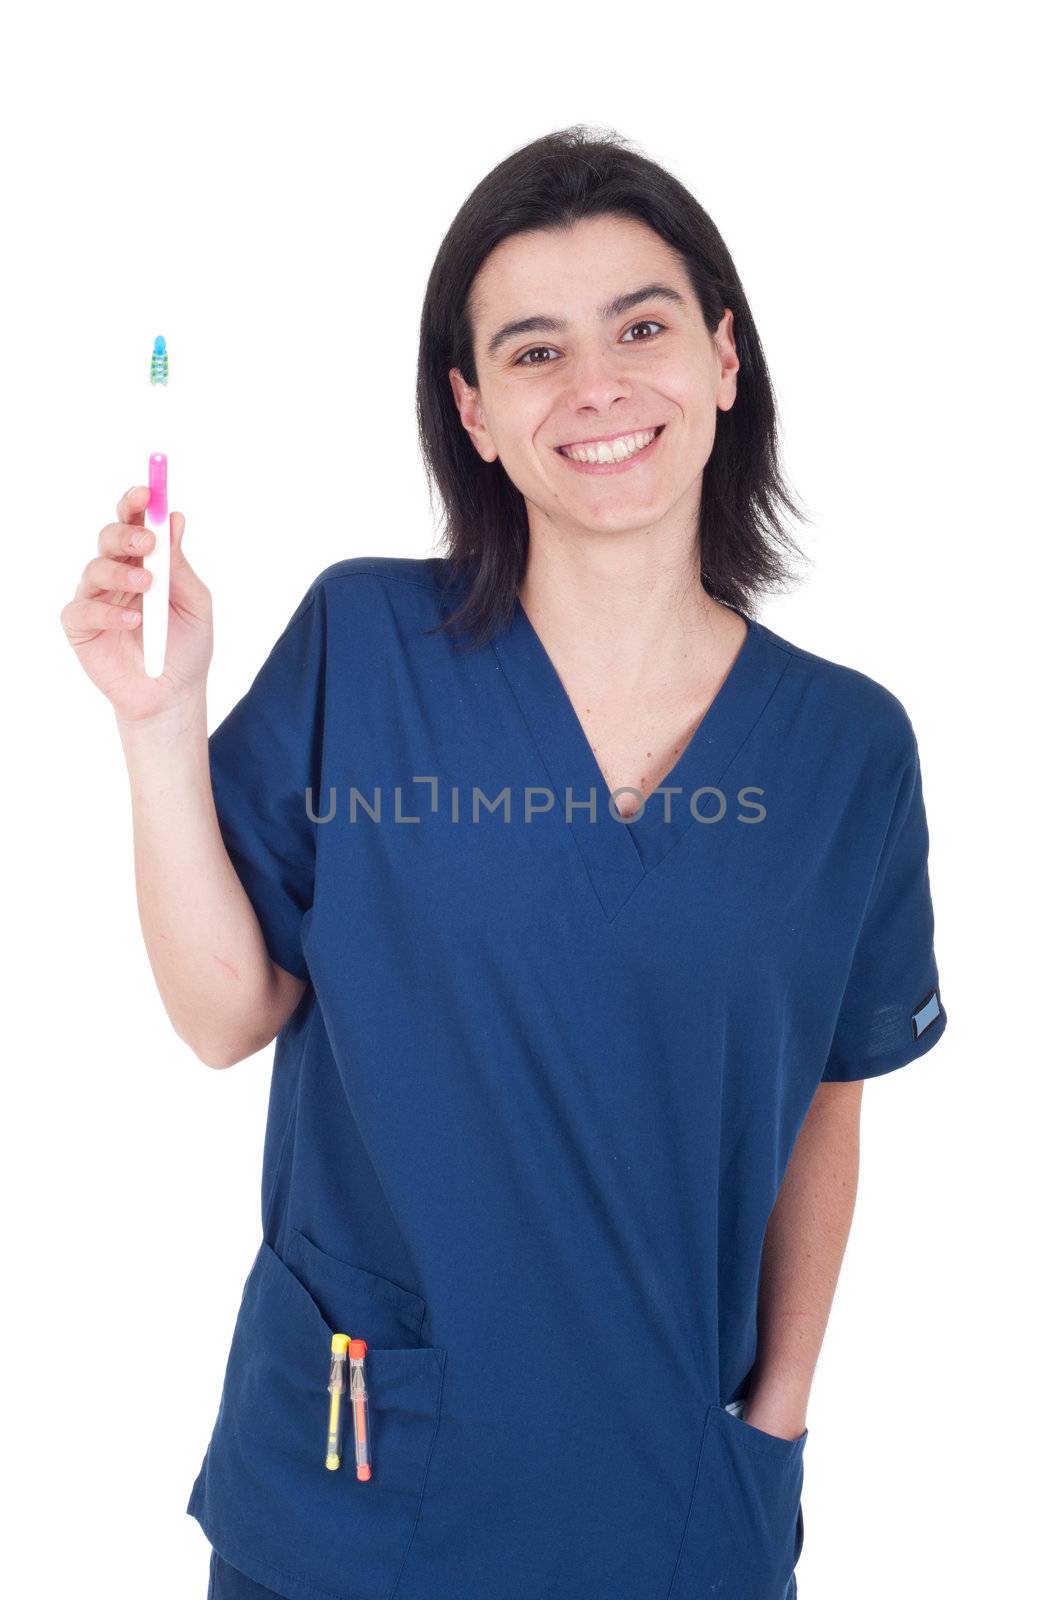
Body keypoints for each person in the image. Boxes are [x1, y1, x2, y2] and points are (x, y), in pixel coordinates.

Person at [61, 126, 948, 1600]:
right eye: (534, 353)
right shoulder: (366, 647)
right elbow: (225, 1016)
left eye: (643, 328)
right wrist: (160, 726)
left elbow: (826, 1103)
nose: (598, 386)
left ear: (726, 358)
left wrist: (775, 1428)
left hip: (671, 1510)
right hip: (353, 1493)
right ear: (474, 413)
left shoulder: (848, 751)